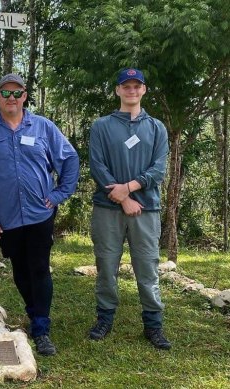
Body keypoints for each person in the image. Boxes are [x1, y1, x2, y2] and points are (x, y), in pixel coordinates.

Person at [0, 73, 80, 356]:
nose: (12, 98)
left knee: (39, 268)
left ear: (24, 96)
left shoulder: (43, 127)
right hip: (6, 217)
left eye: (17, 93)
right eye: (5, 93)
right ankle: (33, 312)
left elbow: (69, 159)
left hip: (39, 214)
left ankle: (41, 327)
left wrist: (59, 194)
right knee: (20, 271)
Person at [88, 68, 171, 350]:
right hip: (107, 208)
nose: (132, 90)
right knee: (106, 266)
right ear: (118, 90)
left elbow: (159, 169)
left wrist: (131, 188)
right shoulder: (102, 125)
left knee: (147, 268)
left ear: (144, 90)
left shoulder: (157, 127)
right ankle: (104, 318)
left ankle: (153, 325)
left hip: (146, 210)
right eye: (126, 86)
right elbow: (97, 166)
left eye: (137, 86)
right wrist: (122, 197)